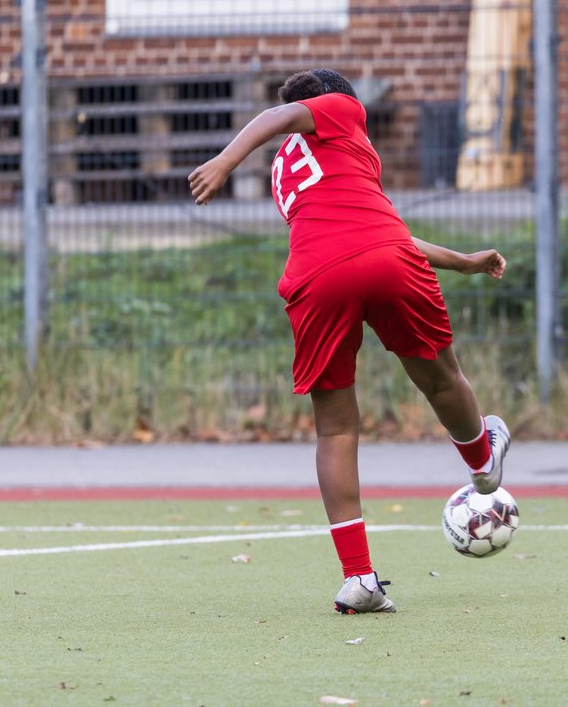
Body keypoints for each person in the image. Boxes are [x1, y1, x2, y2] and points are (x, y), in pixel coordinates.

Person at [190, 68, 510, 614]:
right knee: (440, 378)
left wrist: (460, 261)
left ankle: (359, 579)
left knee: (335, 428)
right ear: (340, 100)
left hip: (317, 275)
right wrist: (224, 160)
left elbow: (357, 225)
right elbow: (279, 117)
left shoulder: (286, 171)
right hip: (386, 258)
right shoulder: (339, 109)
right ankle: (482, 463)